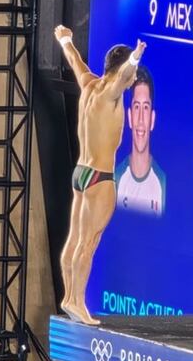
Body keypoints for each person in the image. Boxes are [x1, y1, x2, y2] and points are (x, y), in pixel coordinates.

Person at [54, 24, 145, 325]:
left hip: (81, 171)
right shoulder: (110, 94)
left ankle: (69, 297)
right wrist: (135, 59)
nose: (132, 81)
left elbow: (75, 61)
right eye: (131, 75)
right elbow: (121, 79)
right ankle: (77, 300)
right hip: (100, 177)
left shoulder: (89, 85)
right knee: (89, 241)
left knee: (75, 237)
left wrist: (65, 39)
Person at [116, 66, 166, 216]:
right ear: (129, 117)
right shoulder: (116, 178)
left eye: (146, 108)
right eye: (137, 107)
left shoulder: (162, 182)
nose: (140, 120)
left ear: (153, 119)